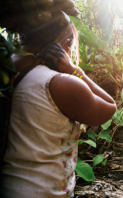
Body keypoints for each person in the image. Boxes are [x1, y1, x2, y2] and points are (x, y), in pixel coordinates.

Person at [0, 11, 116, 198]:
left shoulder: (6, 68)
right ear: (65, 46)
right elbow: (110, 107)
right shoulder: (60, 84)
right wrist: (74, 70)